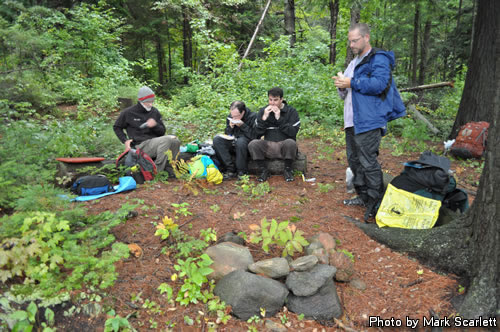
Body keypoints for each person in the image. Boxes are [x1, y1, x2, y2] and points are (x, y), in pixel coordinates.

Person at [333, 23, 405, 221]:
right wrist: (341, 84)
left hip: (369, 120)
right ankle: (363, 196)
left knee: (368, 161)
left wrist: (351, 82)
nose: (351, 44)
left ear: (366, 38)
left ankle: (376, 202)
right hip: (352, 121)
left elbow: (380, 84)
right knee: (354, 160)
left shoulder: (378, 59)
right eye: (349, 40)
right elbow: (346, 92)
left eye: (354, 40)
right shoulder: (354, 62)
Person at [113, 86, 181, 177]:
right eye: (148, 102)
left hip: (155, 143)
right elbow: (117, 127)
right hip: (140, 145)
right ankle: (157, 172)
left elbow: (162, 132)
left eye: (152, 101)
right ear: (141, 101)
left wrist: (155, 126)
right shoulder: (128, 112)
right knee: (167, 140)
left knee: (175, 141)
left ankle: (170, 168)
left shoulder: (154, 112)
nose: (150, 104)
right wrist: (125, 140)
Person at [248, 87, 301, 182]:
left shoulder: (291, 111)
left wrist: (279, 118)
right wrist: (264, 118)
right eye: (270, 100)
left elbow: (293, 132)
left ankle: (288, 169)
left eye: (276, 100)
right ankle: (263, 170)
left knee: (291, 143)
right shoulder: (263, 111)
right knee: (253, 143)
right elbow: (256, 133)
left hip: (284, 145)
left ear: (281, 99)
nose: (272, 103)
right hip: (268, 145)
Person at [213, 101, 257, 180]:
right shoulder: (231, 116)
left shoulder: (253, 117)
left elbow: (254, 136)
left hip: (245, 141)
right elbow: (227, 134)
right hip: (233, 139)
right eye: (232, 116)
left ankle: (241, 171)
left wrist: (243, 125)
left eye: (236, 116)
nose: (234, 118)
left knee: (240, 142)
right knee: (217, 140)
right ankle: (230, 169)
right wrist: (230, 127)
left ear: (243, 112)